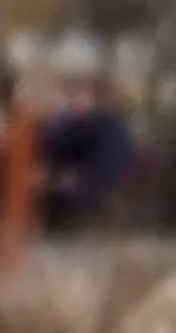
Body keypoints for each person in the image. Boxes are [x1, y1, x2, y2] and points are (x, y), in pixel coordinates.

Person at [34, 77, 135, 232]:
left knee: (61, 197)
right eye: (74, 97)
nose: (75, 101)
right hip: (67, 176)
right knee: (35, 187)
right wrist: (47, 169)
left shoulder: (111, 127)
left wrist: (80, 177)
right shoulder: (72, 123)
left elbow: (110, 163)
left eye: (81, 97)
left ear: (96, 101)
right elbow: (58, 150)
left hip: (98, 181)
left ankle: (58, 233)